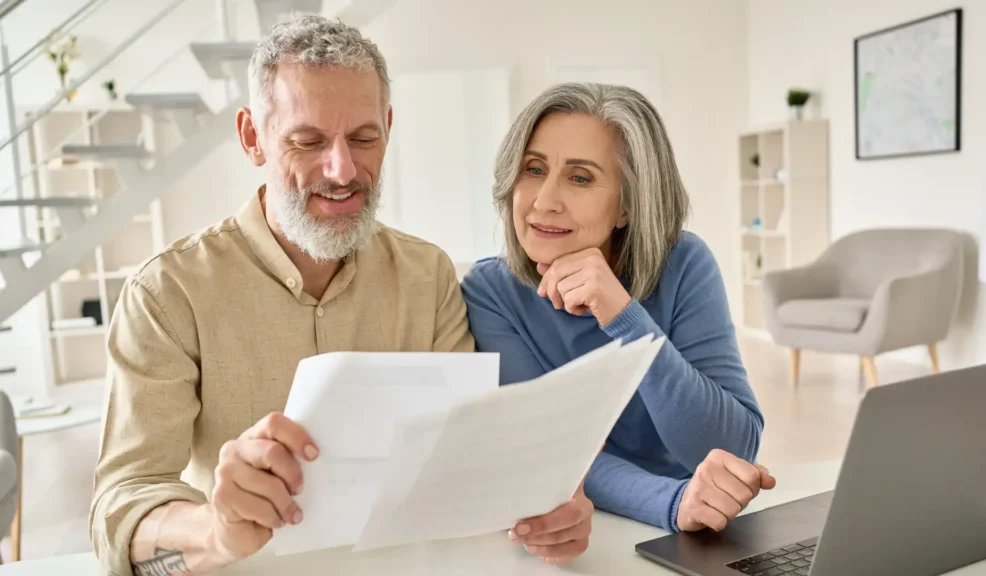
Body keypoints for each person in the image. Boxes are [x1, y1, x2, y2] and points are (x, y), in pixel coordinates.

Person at [89, 16, 591, 576]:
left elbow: (466, 461)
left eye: (364, 138)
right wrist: (215, 530)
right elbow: (122, 505)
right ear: (253, 137)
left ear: (389, 128)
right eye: (307, 141)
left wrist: (540, 506)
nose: (343, 169)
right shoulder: (167, 292)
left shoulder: (428, 276)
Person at [462, 82, 776, 537]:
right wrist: (671, 502)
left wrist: (625, 318)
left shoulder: (684, 263)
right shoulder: (490, 290)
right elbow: (547, 449)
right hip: (576, 527)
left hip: (689, 529)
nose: (544, 201)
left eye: (580, 177)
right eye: (533, 169)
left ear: (627, 205)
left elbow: (732, 447)